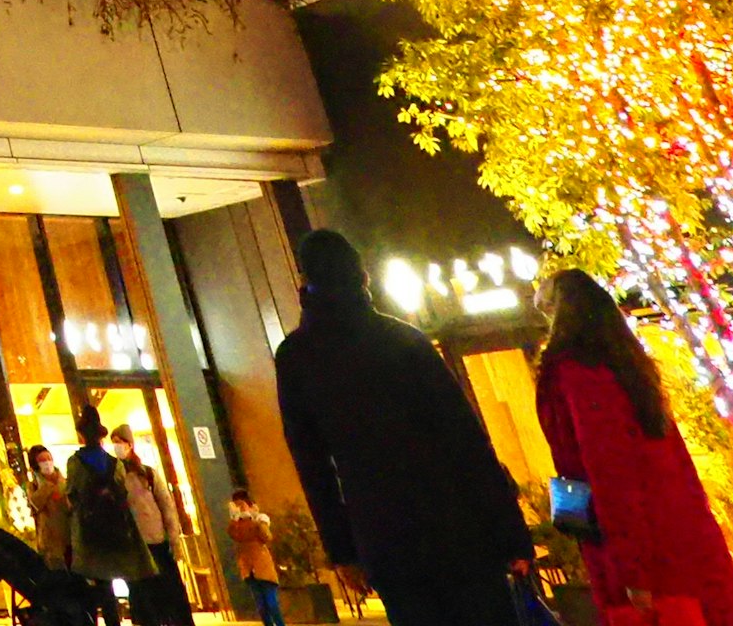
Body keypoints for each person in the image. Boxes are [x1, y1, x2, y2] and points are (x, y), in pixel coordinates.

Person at [273, 228, 533, 626]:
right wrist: (509, 530)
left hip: (385, 533)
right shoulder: (403, 339)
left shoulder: (297, 357)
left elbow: (313, 464)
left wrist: (343, 549)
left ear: (305, 283)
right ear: (364, 278)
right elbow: (467, 440)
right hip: (458, 525)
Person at [531, 266, 733, 626]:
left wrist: (632, 570)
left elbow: (608, 470)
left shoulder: (577, 374)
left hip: (641, 555)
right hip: (681, 537)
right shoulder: (630, 367)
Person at [63, 424, 145, 626]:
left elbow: (72, 494)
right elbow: (122, 492)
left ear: (81, 435)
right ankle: (126, 619)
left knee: (98, 584)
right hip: (116, 528)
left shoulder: (75, 463)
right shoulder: (113, 463)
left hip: (90, 531)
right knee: (124, 578)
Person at [109, 432, 187, 626]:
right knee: (143, 596)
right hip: (134, 545)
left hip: (157, 541)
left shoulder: (148, 473)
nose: (117, 446)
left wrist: (173, 536)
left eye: (120, 442)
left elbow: (166, 506)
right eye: (114, 443)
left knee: (168, 591)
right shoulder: (114, 476)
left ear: (130, 444)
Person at [225, 493, 281, 626]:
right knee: (261, 605)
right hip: (248, 567)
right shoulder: (237, 523)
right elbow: (234, 536)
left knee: (271, 602)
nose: (240, 508)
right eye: (236, 505)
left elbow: (266, 537)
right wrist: (234, 519)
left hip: (263, 566)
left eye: (242, 504)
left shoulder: (260, 519)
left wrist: (255, 519)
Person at [19, 445, 73, 573]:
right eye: (42, 460)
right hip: (50, 543)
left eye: (48, 458)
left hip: (70, 538)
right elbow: (34, 504)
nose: (47, 463)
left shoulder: (65, 482)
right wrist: (47, 485)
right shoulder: (33, 486)